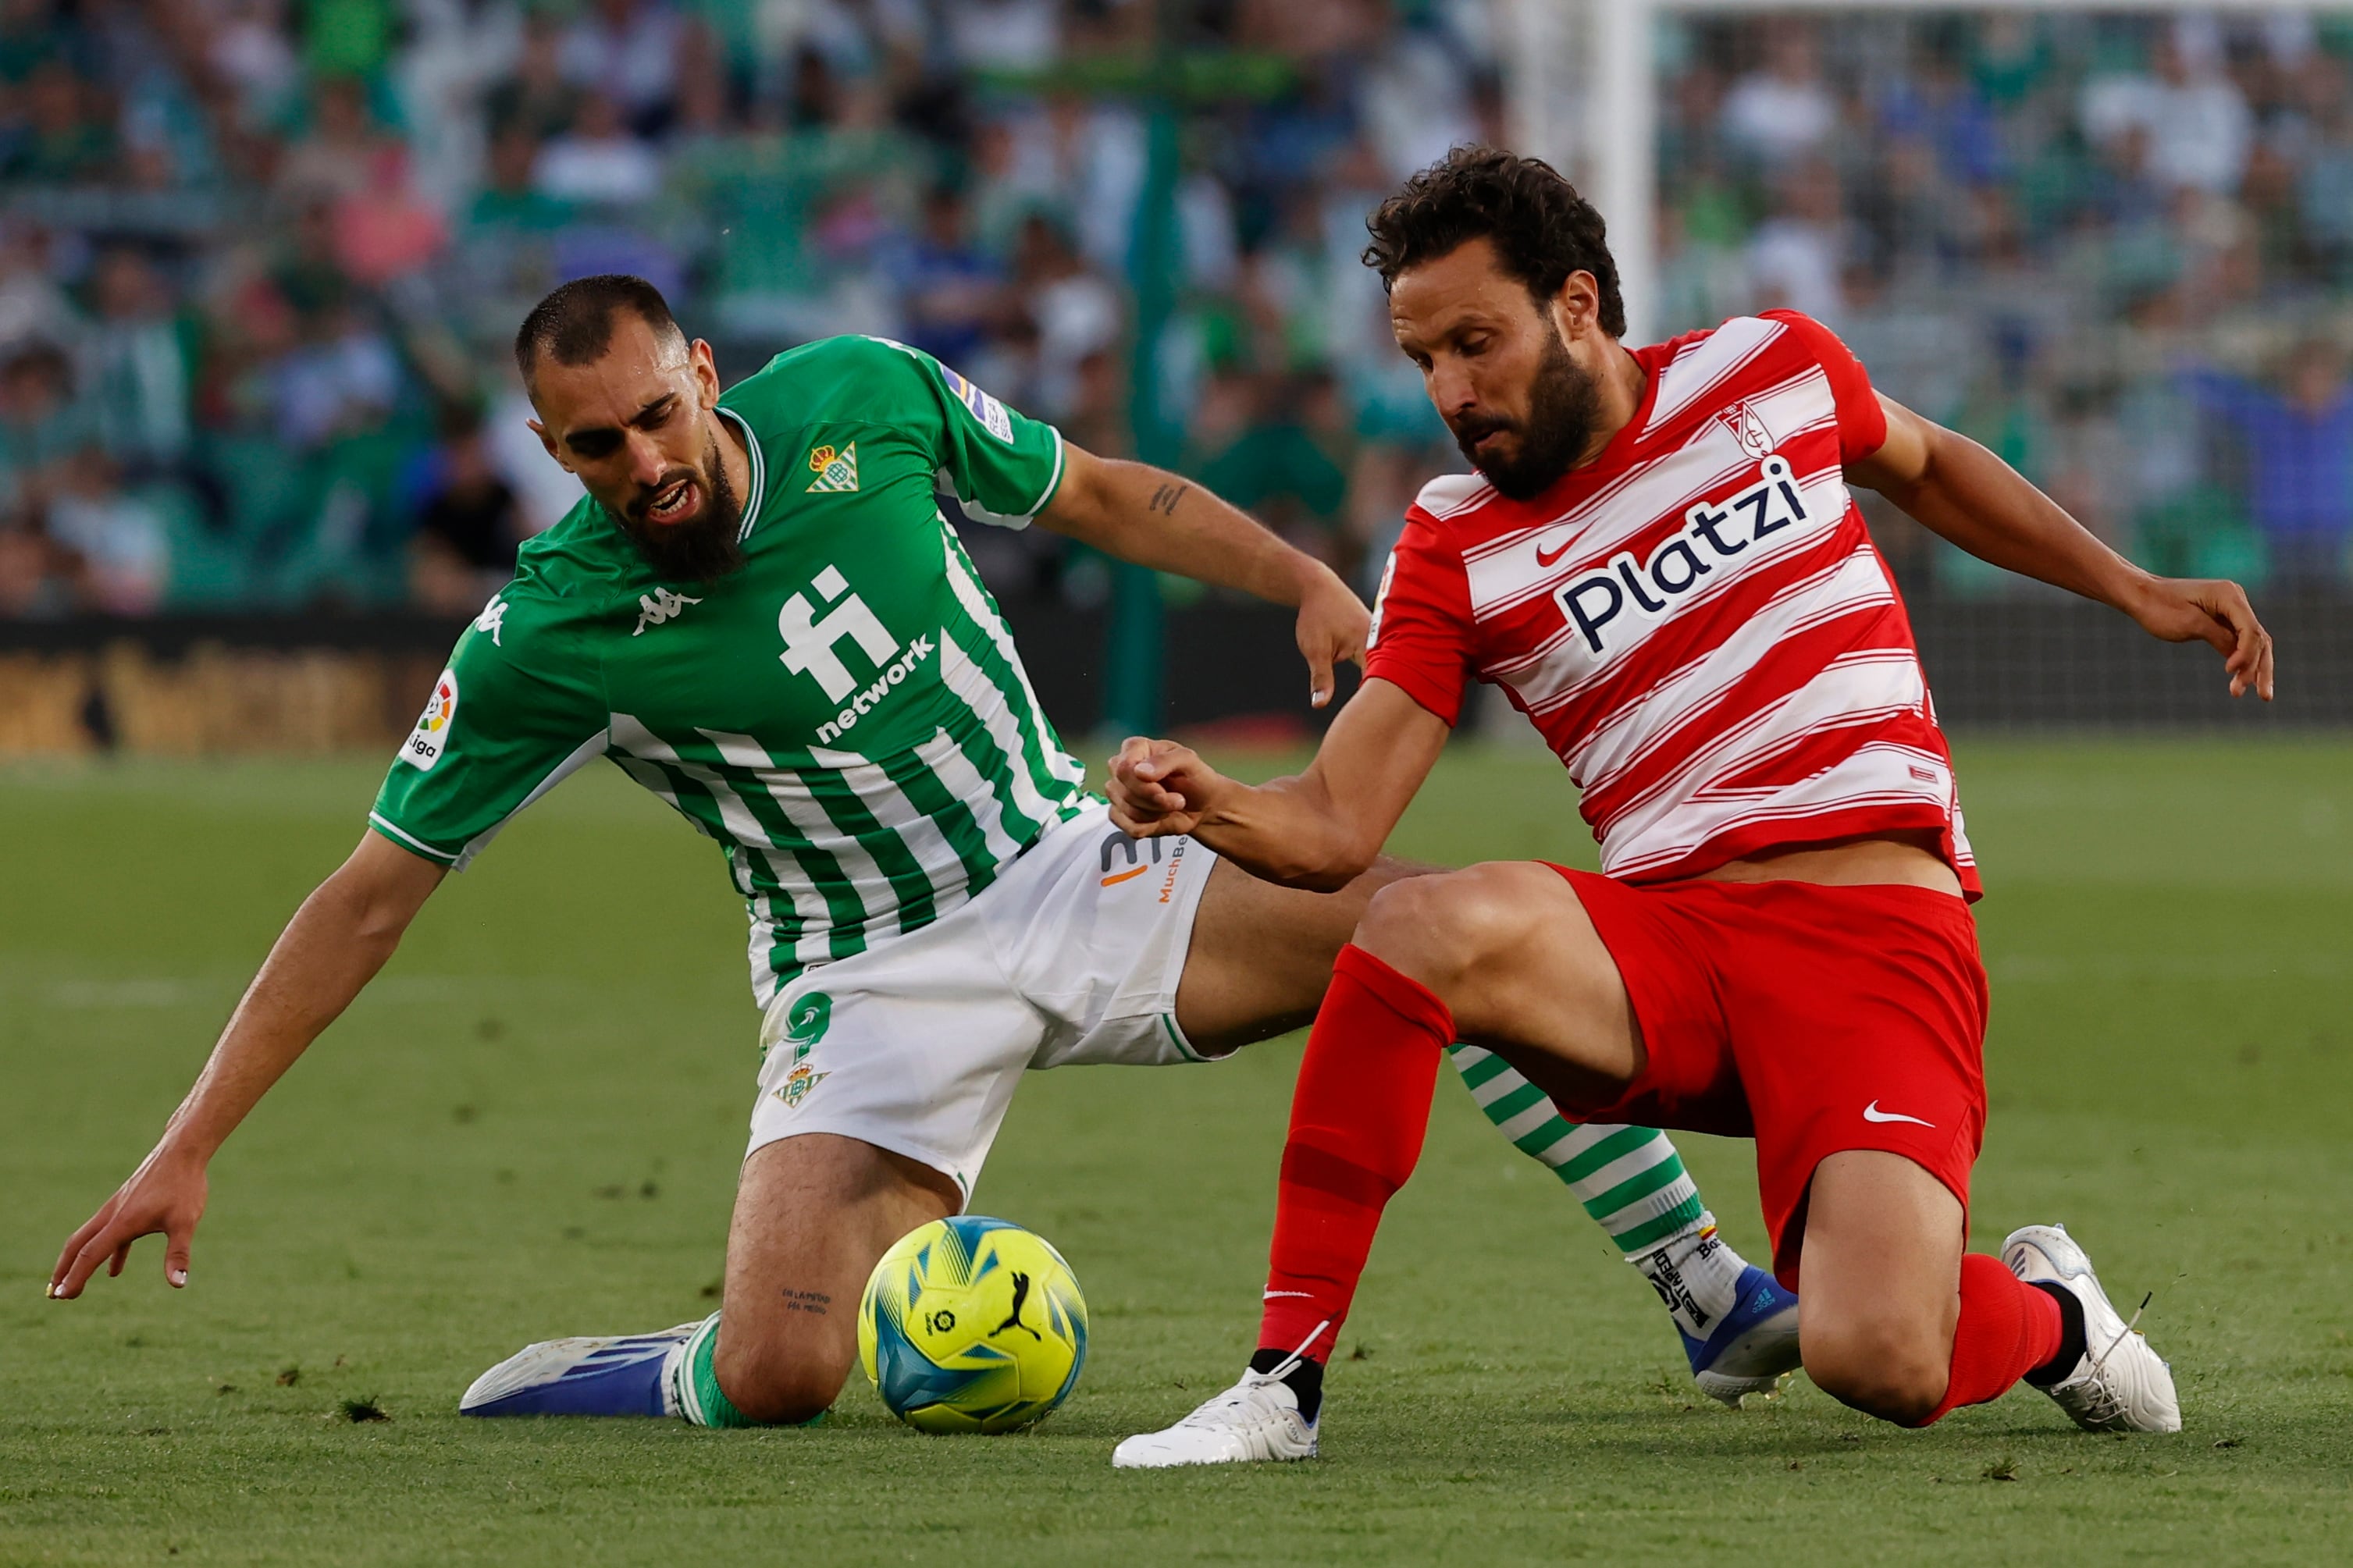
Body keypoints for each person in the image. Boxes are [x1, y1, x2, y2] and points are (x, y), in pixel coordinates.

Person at [48, 274, 1797, 1425]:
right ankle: (644, 1367)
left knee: (1429, 928)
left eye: (657, 415)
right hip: (864, 976)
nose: (643, 462)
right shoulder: (545, 639)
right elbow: (370, 894)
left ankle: (1704, 1287)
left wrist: (1300, 579)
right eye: (596, 446)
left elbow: (1104, 493)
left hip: (1071, 865)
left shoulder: (864, 399)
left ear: (703, 374)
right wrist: (189, 1142)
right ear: (548, 452)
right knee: (789, 1373)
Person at [1108, 148, 2273, 1468]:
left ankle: (2051, 1317)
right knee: (1417, 924)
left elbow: (1932, 464)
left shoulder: (1767, 370)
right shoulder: (1451, 542)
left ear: (1578, 305)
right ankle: (1280, 1384)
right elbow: (1333, 828)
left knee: (1876, 1356)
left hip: (1874, 949)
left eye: (1474, 344)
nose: (1448, 391)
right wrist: (1208, 800)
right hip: (1673, 955)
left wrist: (2132, 589)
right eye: (1421, 357)